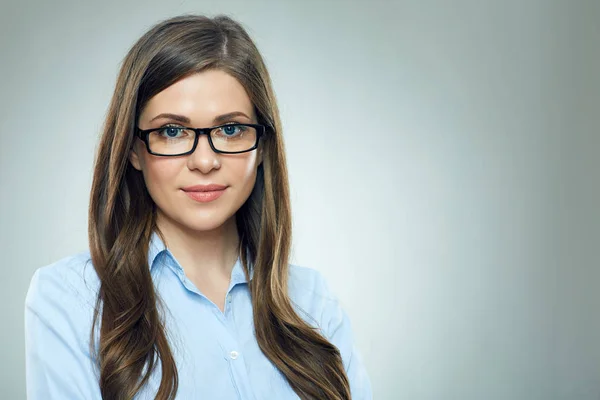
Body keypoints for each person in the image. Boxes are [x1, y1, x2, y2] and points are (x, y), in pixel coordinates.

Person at [24, 14, 372, 400]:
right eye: (172, 131)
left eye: (230, 129)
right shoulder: (69, 298)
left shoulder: (311, 301)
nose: (205, 161)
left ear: (261, 148)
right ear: (134, 149)